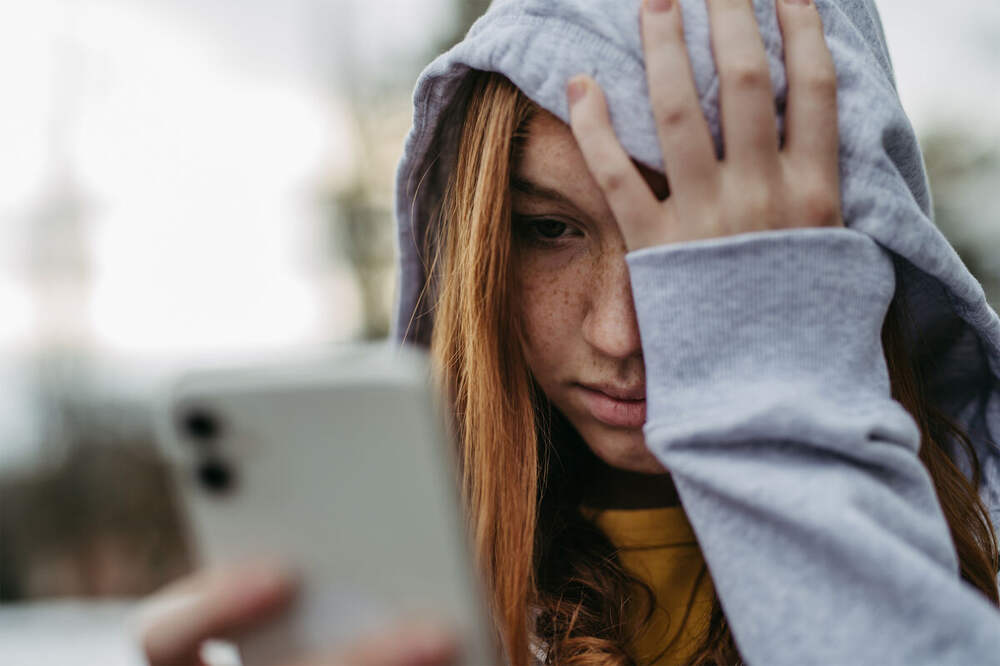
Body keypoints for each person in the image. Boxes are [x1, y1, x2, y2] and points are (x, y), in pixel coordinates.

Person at [140, 0, 1000, 664]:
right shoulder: (406, 599)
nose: (620, 334)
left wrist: (774, 414)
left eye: (706, 255)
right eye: (549, 228)